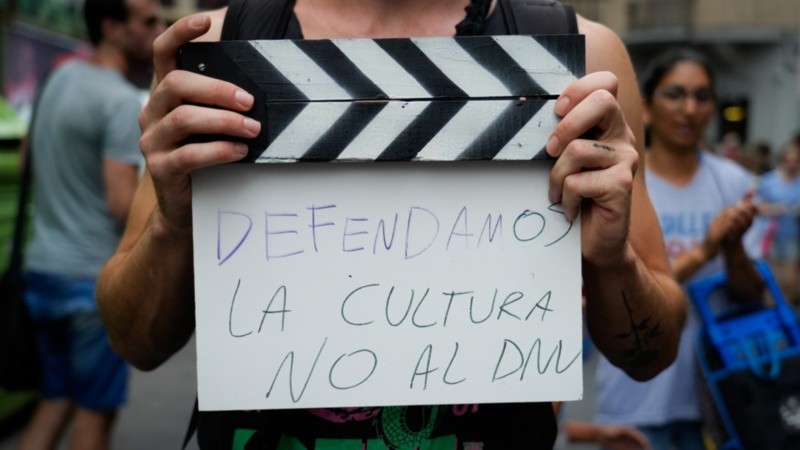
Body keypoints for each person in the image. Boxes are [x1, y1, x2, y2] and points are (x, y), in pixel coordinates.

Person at [95, 0, 688, 448]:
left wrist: (615, 259)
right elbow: (135, 342)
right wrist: (174, 223)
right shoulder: (219, 47)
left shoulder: (584, 54)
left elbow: (650, 355)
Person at [594, 48, 765, 450]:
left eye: (702, 96)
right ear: (647, 108)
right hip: (635, 397)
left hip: (721, 393)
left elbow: (752, 293)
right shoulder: (617, 184)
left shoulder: (735, 183)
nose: (689, 108)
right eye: (675, 94)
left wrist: (734, 248)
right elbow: (618, 284)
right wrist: (705, 250)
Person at [16, 0, 165, 449]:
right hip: (89, 286)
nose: (160, 30)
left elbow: (28, 162)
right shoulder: (120, 101)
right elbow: (123, 206)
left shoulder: (57, 78)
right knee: (94, 415)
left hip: (41, 269)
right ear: (111, 28)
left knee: (55, 399)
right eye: (148, 21)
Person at [756, 141, 800, 304]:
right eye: (789, 160)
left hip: (793, 237)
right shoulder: (769, 181)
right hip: (770, 236)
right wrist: (775, 208)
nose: (792, 164)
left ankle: (786, 312)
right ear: (782, 160)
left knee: (790, 281)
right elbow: (757, 207)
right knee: (771, 279)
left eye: (796, 160)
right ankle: (772, 314)